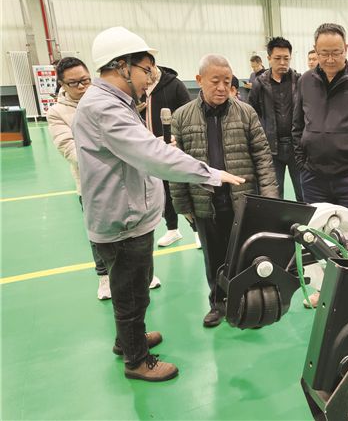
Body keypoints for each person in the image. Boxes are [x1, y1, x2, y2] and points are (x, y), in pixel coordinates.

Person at [73, 27, 246, 382]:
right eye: (145, 69)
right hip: (122, 219)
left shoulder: (111, 102)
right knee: (131, 292)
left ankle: (128, 338)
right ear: (122, 66)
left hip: (126, 213)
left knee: (134, 287)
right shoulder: (106, 107)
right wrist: (210, 173)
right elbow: (151, 155)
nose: (149, 78)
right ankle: (136, 359)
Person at [171, 54, 278, 328]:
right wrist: (182, 205)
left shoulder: (246, 112)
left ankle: (248, 304)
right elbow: (176, 165)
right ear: (199, 80)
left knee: (246, 256)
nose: (221, 88)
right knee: (214, 258)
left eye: (227, 81)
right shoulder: (182, 117)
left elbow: (262, 157)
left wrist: (269, 200)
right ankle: (218, 304)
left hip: (242, 202)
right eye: (215, 81)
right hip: (205, 203)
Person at [292, 23, 348, 309]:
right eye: (324, 53)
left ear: (346, 49)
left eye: (336, 52)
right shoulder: (305, 81)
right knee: (317, 237)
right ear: (315, 51)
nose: (330, 59)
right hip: (314, 177)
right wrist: (302, 163)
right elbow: (296, 126)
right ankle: (324, 290)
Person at [48, 57, 112, 300]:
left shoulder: (105, 99)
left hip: (123, 181)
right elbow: (68, 148)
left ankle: (144, 274)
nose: (82, 86)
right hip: (90, 185)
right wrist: (112, 156)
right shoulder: (57, 112)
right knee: (99, 235)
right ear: (62, 85)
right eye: (74, 83)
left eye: (85, 80)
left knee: (134, 232)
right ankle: (104, 278)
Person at [140, 65, 199, 251]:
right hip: (150, 151)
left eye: (147, 71)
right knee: (163, 191)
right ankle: (172, 229)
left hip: (173, 148)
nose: (145, 77)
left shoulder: (174, 85)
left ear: (153, 67)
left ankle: (197, 230)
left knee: (183, 188)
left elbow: (189, 114)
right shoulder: (139, 89)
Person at [249, 37, 303, 201]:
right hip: (271, 149)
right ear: (269, 58)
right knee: (273, 195)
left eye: (286, 58)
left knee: (304, 193)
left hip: (297, 148)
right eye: (277, 58)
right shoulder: (259, 84)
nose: (282, 62)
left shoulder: (299, 81)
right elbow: (252, 114)